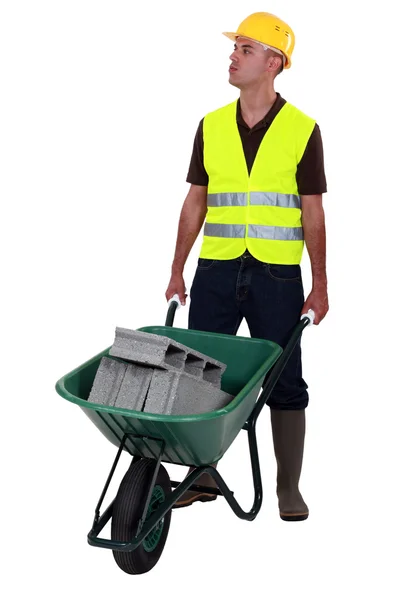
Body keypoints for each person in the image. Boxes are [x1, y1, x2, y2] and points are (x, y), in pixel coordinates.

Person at [165, 11, 328, 521]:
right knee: (197, 377)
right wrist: (176, 268)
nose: (232, 56)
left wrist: (320, 283)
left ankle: (288, 488)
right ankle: (202, 477)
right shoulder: (210, 125)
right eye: (235, 47)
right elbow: (196, 201)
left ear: (274, 62)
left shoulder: (303, 130)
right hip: (215, 271)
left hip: (277, 276)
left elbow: (313, 211)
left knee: (284, 381)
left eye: (245, 48)